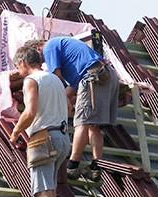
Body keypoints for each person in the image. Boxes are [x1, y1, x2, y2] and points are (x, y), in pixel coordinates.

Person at [9, 42, 71, 197]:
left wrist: (16, 131)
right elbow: (68, 108)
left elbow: (30, 111)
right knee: (50, 186)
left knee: (42, 190)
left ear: (24, 63)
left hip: (44, 138)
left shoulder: (31, 80)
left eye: (18, 67)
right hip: (63, 138)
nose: (18, 71)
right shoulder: (56, 79)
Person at [41, 35, 119, 181]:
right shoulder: (70, 53)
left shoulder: (49, 46)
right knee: (94, 125)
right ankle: (96, 166)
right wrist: (64, 98)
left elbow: (56, 78)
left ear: (38, 47)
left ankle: (72, 165)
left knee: (81, 122)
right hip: (107, 75)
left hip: (93, 77)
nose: (44, 62)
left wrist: (57, 102)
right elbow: (71, 88)